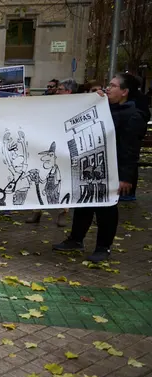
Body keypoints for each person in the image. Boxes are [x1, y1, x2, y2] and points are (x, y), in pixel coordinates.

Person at [52, 73, 145, 263]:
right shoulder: (104, 108)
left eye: (113, 86)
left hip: (113, 170)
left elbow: (130, 149)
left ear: (125, 92)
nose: (108, 88)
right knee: (84, 204)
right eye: (108, 85)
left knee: (106, 208)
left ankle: (103, 247)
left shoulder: (132, 115)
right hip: (92, 166)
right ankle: (76, 239)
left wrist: (126, 177)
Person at [26, 78, 78, 226]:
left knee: (62, 180)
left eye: (60, 89)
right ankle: (36, 211)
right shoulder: (51, 103)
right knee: (40, 178)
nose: (57, 91)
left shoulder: (76, 105)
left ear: (69, 91)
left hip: (66, 149)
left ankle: (63, 212)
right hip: (48, 145)